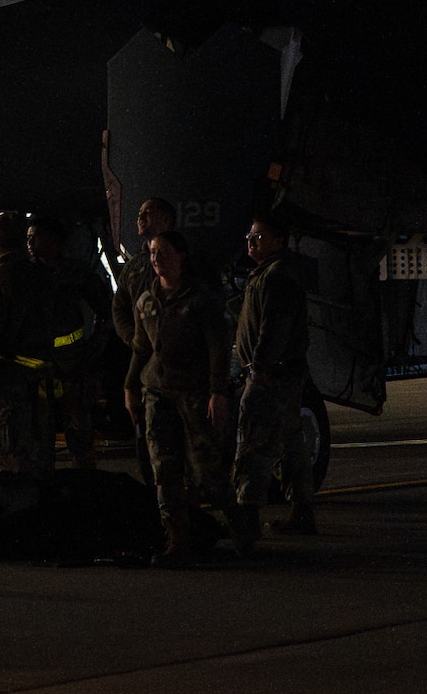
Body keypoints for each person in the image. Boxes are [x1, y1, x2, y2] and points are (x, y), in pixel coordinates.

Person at [124, 230, 238, 566]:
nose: (156, 258)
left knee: (208, 472)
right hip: (158, 394)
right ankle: (178, 542)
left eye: (163, 251)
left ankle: (240, 529)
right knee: (165, 470)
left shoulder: (201, 301)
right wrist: (130, 386)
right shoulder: (147, 300)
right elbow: (141, 348)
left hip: (194, 394)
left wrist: (218, 393)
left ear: (181, 255)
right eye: (152, 252)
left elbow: (218, 349)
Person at [0, 213, 81, 480]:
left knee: (13, 466)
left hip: (9, 385)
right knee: (43, 460)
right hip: (44, 383)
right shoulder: (44, 278)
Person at [231, 212, 318, 542]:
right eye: (250, 236)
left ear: (278, 241)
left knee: (255, 445)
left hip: (271, 377)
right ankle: (301, 511)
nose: (251, 242)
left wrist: (260, 370)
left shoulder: (276, 276)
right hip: (281, 376)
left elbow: (273, 329)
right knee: (291, 445)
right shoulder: (268, 273)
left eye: (259, 236)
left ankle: (247, 520)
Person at [27, 215, 108, 469]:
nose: (30, 243)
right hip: (37, 369)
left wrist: (92, 351)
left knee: (80, 436)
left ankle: (84, 484)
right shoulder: (26, 275)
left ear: (54, 240)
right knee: (40, 440)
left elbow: (106, 311)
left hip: (73, 366)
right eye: (28, 238)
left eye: (35, 237)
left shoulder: (76, 274)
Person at [110, 198, 177, 484]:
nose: (140, 218)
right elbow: (119, 307)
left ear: (167, 220)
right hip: (144, 366)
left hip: (180, 371)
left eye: (148, 213)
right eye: (139, 213)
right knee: (148, 441)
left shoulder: (183, 260)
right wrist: (133, 338)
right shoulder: (135, 266)